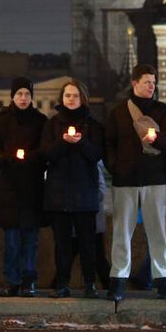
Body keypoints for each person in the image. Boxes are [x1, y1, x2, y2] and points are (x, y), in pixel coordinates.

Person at [105, 64, 166, 302]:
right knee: (121, 232)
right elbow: (109, 145)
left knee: (158, 232)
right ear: (134, 83)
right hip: (125, 180)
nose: (151, 86)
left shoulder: (164, 111)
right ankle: (118, 280)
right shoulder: (117, 113)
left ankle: (162, 280)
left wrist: (156, 138)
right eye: (147, 82)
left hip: (155, 180)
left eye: (153, 82)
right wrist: (116, 167)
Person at [0, 77, 47, 298]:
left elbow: (45, 152)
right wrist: (8, 158)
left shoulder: (40, 121)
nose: (23, 98)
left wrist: (30, 157)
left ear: (32, 97)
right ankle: (11, 280)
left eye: (27, 94)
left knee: (30, 240)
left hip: (32, 189)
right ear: (12, 96)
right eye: (19, 94)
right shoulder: (0, 122)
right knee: (11, 240)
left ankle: (28, 281)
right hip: (8, 188)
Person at [41, 79, 104, 298]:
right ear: (61, 99)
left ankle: (90, 283)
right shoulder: (52, 124)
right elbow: (46, 154)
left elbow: (96, 154)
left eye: (75, 96)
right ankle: (62, 284)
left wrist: (80, 142)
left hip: (85, 192)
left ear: (82, 98)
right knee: (62, 244)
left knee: (88, 243)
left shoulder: (93, 125)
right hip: (59, 194)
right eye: (67, 96)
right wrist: (63, 142)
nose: (71, 99)